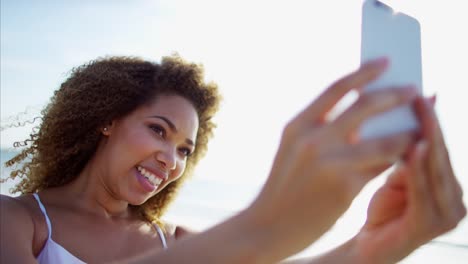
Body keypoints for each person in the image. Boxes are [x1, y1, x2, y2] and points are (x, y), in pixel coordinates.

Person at [0, 54, 465, 264]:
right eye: (158, 131)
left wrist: (371, 247)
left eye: (184, 149)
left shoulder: (179, 242)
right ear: (107, 121)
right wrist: (261, 226)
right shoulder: (18, 220)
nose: (170, 159)